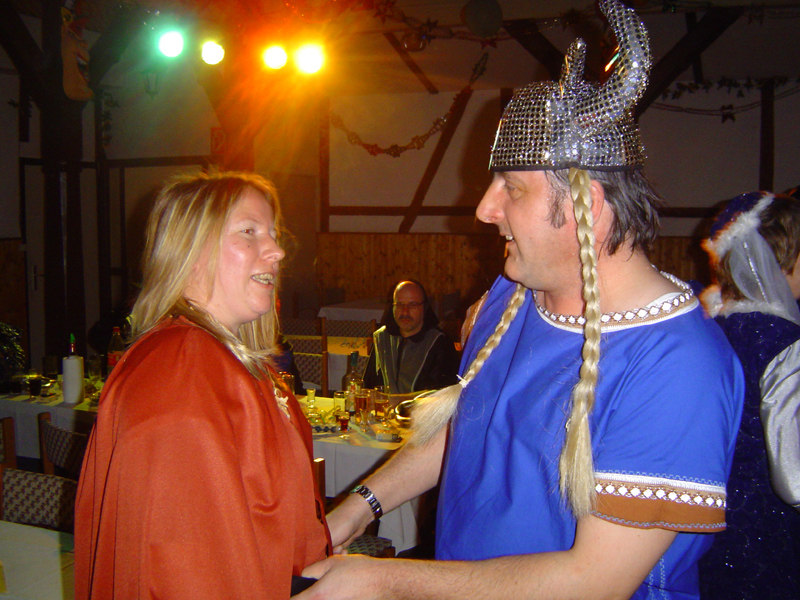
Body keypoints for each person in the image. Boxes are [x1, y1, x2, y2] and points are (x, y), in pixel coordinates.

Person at [296, 2, 743, 599]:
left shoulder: (678, 364)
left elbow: (594, 581)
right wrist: (358, 507)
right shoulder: (512, 295)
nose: (484, 208)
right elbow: (468, 427)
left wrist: (381, 580)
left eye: (512, 188)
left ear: (589, 207)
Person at [75, 172, 331, 598]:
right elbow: (181, 566)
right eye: (249, 231)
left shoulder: (225, 362)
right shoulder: (183, 370)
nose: (277, 251)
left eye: (272, 234)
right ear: (191, 251)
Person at [698, 191, 800, 599]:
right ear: (782, 257)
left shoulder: (708, 327)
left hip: (708, 523)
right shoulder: (784, 343)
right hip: (769, 532)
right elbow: (794, 477)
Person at [362, 280, 460, 394]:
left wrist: (397, 401)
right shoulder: (382, 338)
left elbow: (441, 395)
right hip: (384, 406)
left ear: (424, 308)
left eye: (412, 305)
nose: (405, 312)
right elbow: (369, 386)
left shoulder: (439, 343)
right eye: (400, 305)